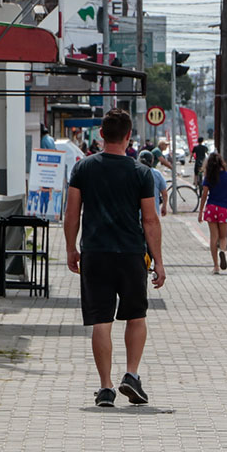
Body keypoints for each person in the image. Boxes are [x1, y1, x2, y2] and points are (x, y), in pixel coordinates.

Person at [63, 108, 166, 408]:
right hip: (132, 254)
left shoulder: (83, 169)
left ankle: (105, 387)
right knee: (136, 315)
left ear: (102, 135)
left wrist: (71, 248)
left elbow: (72, 214)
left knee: (101, 320)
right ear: (129, 137)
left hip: (95, 254)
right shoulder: (141, 173)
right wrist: (157, 260)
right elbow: (150, 220)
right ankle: (131, 375)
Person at [197, 152, 227, 274]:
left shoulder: (208, 177)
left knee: (213, 237)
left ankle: (215, 266)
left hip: (211, 208)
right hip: (224, 209)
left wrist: (201, 211)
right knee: (223, 237)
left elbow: (204, 195)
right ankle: (223, 251)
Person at [138, 150, 168, 217]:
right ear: (152, 161)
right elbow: (164, 193)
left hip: (137, 214)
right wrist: (164, 206)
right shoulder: (157, 173)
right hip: (154, 212)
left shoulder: (134, 172)